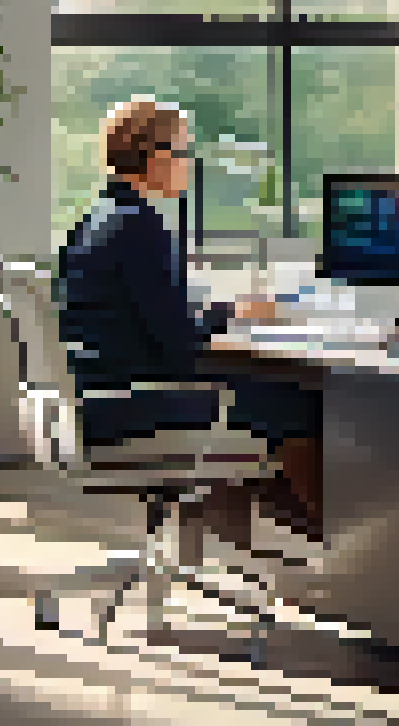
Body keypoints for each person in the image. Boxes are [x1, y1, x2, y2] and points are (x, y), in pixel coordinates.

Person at [56, 98, 322, 546]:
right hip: (140, 404)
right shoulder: (141, 228)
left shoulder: (94, 221)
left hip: (101, 398)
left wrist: (218, 314)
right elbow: (179, 346)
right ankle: (337, 551)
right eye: (183, 152)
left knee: (271, 396)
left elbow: (153, 324)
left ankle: (250, 554)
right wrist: (235, 313)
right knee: (308, 403)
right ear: (154, 156)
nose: (188, 165)